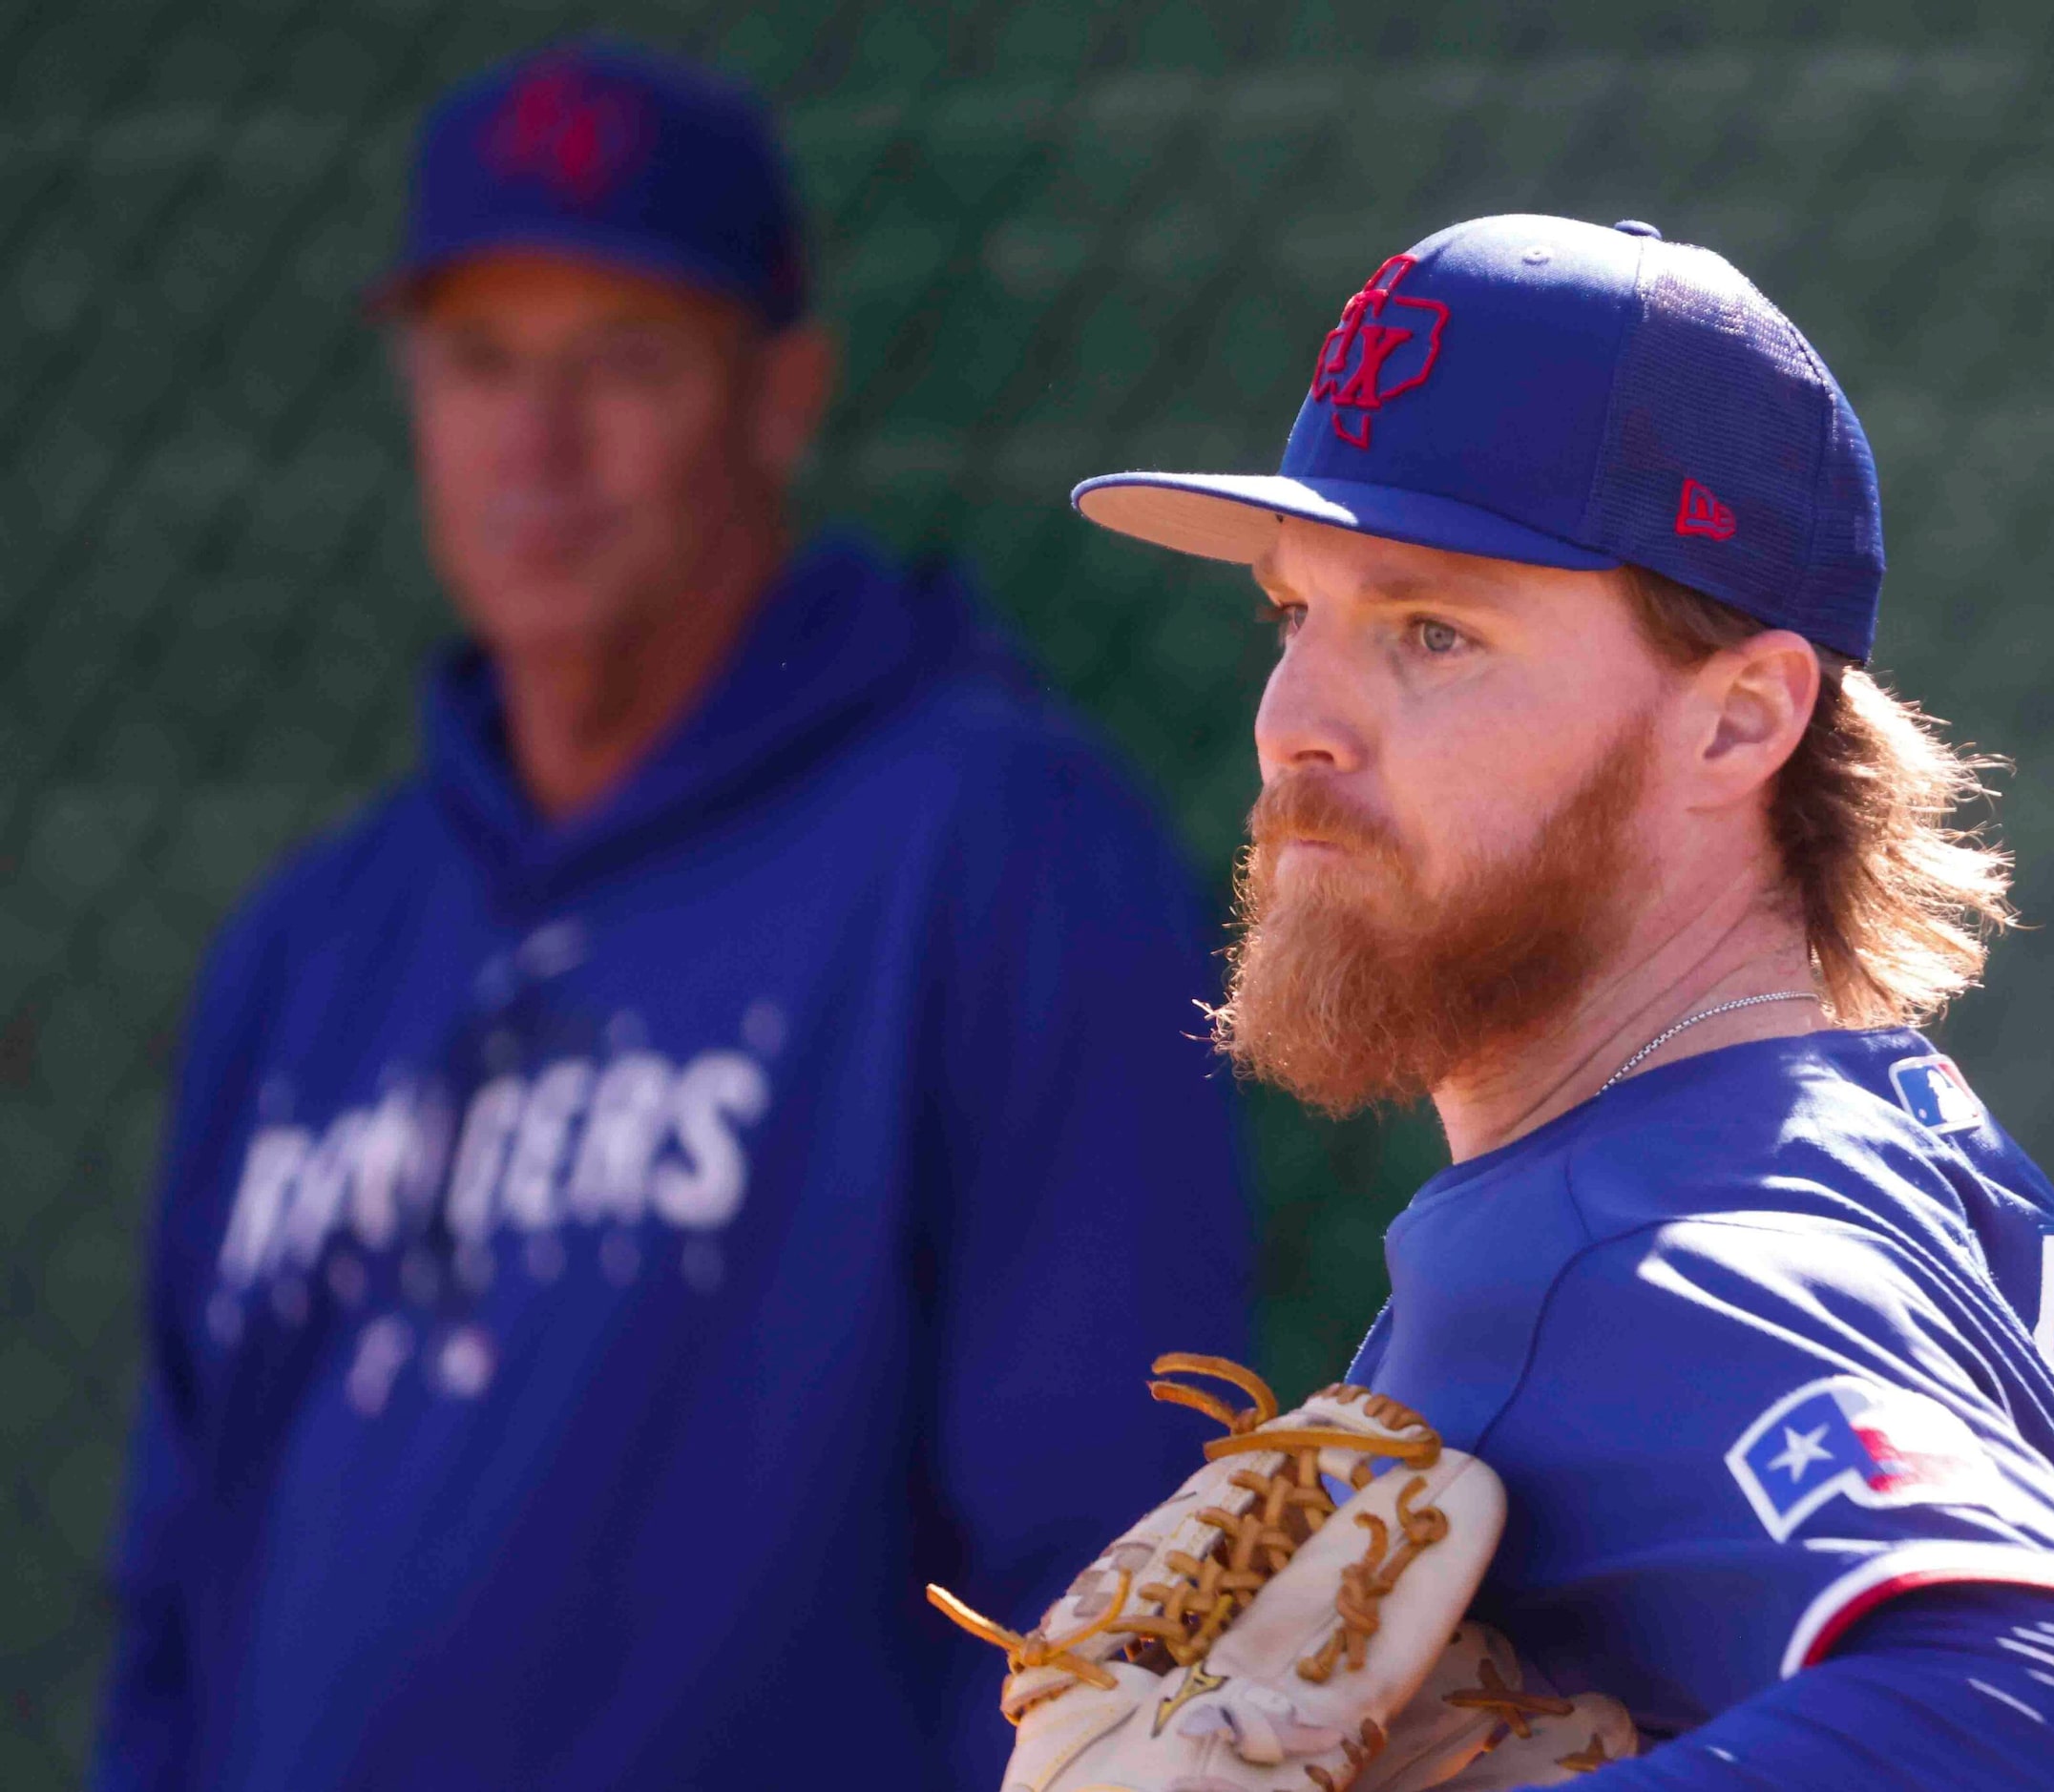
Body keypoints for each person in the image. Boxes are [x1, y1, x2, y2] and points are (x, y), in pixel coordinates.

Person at [1064, 216, 2054, 1784]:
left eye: (1431, 630)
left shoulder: (1640, 1259)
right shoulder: (1893, 1175)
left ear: (1740, 720)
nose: (1296, 721)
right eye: (1297, 613)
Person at [93, 39, 1248, 1791]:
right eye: (480, 362)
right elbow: (178, 1599)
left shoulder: (996, 847)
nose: (535, 445)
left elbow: (1098, 1571)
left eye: (621, 361)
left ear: (778, 395)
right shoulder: (308, 948)